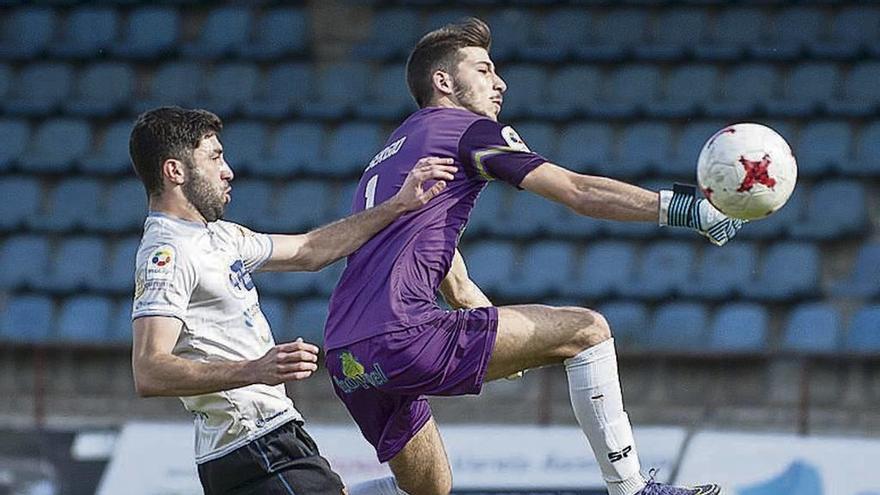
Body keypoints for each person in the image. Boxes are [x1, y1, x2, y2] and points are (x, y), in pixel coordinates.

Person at [324, 18, 744, 495]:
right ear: (443, 81)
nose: (499, 82)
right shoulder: (467, 130)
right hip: (401, 335)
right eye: (483, 69)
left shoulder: (394, 153)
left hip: (345, 353)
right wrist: (688, 209)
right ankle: (632, 489)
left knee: (428, 490)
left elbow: (450, 273)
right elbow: (577, 191)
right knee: (587, 332)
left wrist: (492, 325)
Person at [128, 106, 454, 495]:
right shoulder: (167, 253)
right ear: (174, 171)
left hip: (260, 440)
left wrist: (398, 205)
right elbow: (149, 370)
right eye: (214, 157)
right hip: (253, 443)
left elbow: (309, 250)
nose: (227, 169)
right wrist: (254, 369)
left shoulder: (220, 237)